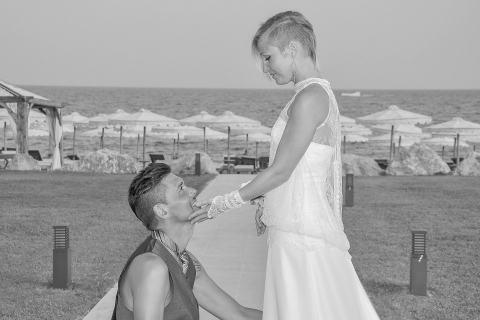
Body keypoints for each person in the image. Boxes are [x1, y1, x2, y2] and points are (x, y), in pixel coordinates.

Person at [190, 11, 381, 320]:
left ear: (291, 50)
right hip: (293, 224)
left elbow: (281, 170)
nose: (266, 68)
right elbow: (302, 167)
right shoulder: (309, 95)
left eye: (268, 57)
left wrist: (220, 204)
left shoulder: (310, 97)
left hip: (302, 234)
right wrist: (269, 200)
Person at [112, 163, 262, 320]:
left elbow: (238, 314)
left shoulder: (185, 262)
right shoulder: (152, 267)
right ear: (162, 211)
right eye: (181, 189)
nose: (193, 191)